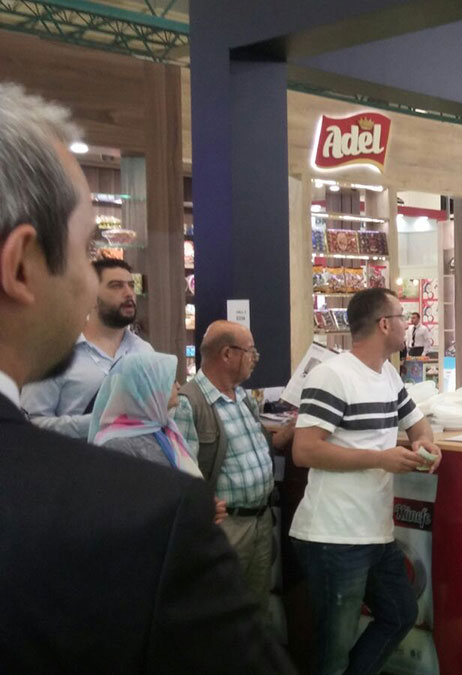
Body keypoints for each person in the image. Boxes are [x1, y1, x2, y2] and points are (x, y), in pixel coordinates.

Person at [0, 82, 292, 673]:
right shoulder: (152, 523)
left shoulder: (146, 358)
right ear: (23, 267)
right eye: (85, 252)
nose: (94, 283)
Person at [290, 287, 442, 675]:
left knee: (401, 612)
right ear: (384, 324)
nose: (408, 324)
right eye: (403, 316)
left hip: (374, 532)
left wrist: (426, 444)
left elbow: (417, 423)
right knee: (333, 649)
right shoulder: (332, 376)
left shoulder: (387, 374)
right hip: (333, 535)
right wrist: (380, 459)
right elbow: (304, 450)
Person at [174, 320, 295, 623]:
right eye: (251, 352)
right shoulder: (190, 403)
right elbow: (181, 475)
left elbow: (264, 446)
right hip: (226, 527)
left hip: (260, 521)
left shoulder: (242, 397)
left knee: (256, 611)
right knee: (220, 613)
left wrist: (297, 424)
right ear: (227, 354)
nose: (255, 359)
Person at [89, 351, 228, 524]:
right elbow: (129, 512)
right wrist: (192, 511)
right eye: (171, 381)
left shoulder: (164, 429)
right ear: (146, 387)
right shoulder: (115, 446)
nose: (179, 386)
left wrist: (203, 507)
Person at [20, 257, 153, 437]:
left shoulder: (144, 351)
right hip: (72, 455)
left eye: (131, 285)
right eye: (116, 286)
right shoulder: (53, 354)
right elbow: (32, 424)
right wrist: (102, 422)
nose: (129, 293)